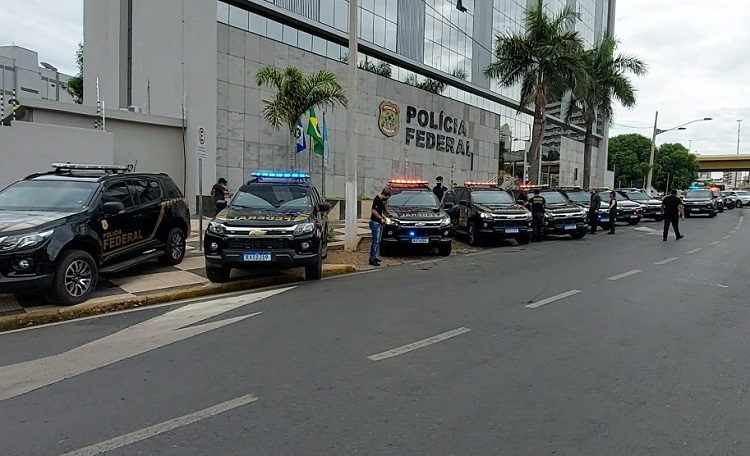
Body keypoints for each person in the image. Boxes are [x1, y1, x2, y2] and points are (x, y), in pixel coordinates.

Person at [369, 187, 391, 266]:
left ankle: (375, 257)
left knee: (378, 241)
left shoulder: (381, 201)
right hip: (375, 223)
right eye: (387, 197)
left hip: (379, 223)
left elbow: (380, 212)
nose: (387, 199)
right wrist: (380, 218)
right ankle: (372, 259)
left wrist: (384, 218)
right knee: (375, 241)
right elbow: (374, 211)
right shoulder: (377, 199)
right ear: (385, 195)